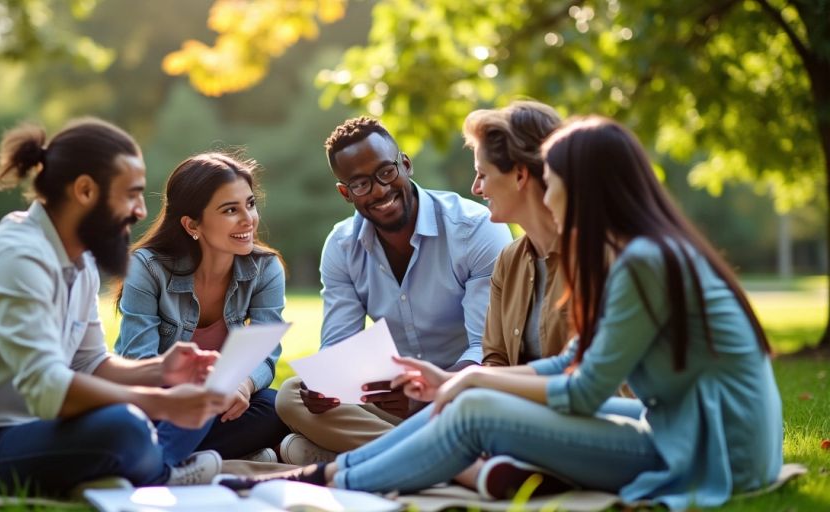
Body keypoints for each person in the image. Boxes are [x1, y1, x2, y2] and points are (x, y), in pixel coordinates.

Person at [223, 117, 783, 510]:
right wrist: (460, 382)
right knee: (460, 401)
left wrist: (469, 385)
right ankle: (349, 467)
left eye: (554, 182)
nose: (548, 193)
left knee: (476, 409)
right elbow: (574, 362)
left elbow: (582, 388)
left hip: (715, 455)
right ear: (346, 192)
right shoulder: (653, 249)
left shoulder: (639, 260)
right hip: (699, 433)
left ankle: (320, 476)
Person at [0, 118, 233, 497]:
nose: (139, 211)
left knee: (193, 390)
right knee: (126, 427)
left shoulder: (79, 262)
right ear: (84, 190)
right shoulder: (17, 257)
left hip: (35, 430)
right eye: (130, 195)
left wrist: (162, 370)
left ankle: (145, 467)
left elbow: (89, 363)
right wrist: (162, 404)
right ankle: (160, 470)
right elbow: (47, 388)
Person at [274, 116, 513, 465]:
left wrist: (433, 392)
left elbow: (487, 348)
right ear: (345, 193)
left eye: (386, 172)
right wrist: (327, 386)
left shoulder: (474, 229)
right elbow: (340, 347)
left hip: (466, 391)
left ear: (405, 164)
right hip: (393, 400)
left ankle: (362, 453)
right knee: (291, 396)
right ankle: (444, 457)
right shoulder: (341, 246)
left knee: (297, 443)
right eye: (361, 184)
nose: (380, 190)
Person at [114, 152, 290, 463]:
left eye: (250, 204)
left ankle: (175, 459)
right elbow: (137, 360)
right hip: (162, 401)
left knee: (274, 406)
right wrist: (199, 391)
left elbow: (265, 353)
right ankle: (187, 459)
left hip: (222, 401)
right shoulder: (146, 268)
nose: (248, 219)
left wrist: (243, 385)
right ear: (192, 224)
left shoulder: (265, 268)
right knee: (135, 420)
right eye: (230, 210)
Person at [463, 101, 566, 366]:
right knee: (347, 410)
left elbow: (583, 379)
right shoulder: (509, 261)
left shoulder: (594, 255)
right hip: (508, 404)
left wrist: (464, 385)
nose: (476, 188)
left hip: (585, 406)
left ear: (520, 175)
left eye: (482, 174)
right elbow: (494, 358)